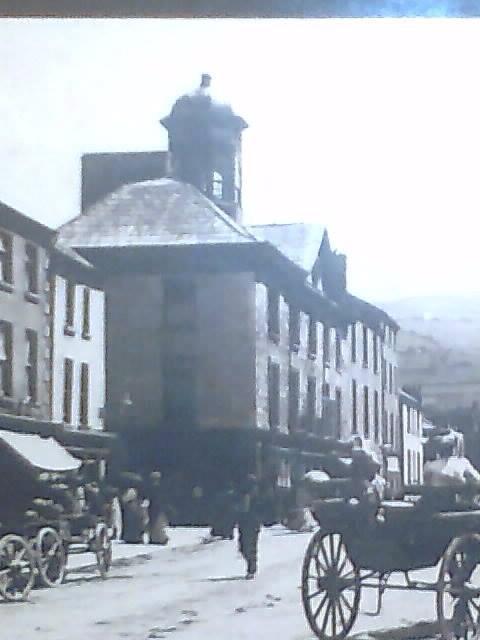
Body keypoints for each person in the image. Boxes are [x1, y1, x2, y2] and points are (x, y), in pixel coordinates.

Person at [237, 475, 262, 580]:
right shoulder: (242, 496)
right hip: (243, 523)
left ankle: (251, 569)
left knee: (250, 546)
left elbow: (259, 510)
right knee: (242, 547)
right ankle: (251, 564)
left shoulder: (257, 497)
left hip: (252, 524)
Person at [146, 471, 169, 546]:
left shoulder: (152, 487)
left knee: (157, 523)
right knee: (156, 523)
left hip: (155, 507)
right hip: (155, 507)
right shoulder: (156, 487)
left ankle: (156, 538)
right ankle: (158, 538)